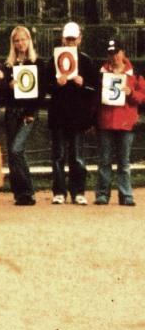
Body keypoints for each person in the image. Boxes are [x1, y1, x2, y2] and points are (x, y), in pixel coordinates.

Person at [45, 22, 99, 206]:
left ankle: (78, 191)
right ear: (63, 39)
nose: (70, 42)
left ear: (79, 39)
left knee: (77, 156)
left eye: (73, 39)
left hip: (78, 116)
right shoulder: (53, 60)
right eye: (67, 39)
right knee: (58, 156)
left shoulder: (86, 61)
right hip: (59, 115)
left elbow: (95, 89)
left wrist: (83, 82)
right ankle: (59, 191)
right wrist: (55, 83)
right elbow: (45, 87)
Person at [94, 39, 144, 206]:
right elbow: (94, 98)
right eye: (111, 53)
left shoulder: (134, 73)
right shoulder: (101, 72)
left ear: (123, 52)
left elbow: (142, 96)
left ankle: (126, 195)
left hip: (125, 123)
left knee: (124, 162)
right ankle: (102, 194)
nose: (114, 56)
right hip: (105, 122)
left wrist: (131, 93)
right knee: (104, 161)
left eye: (116, 52)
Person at [1, 26, 44, 206]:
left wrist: (31, 112)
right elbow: (1, 94)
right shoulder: (8, 65)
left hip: (28, 113)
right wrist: (8, 86)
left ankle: (27, 191)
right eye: (17, 40)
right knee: (13, 154)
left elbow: (41, 92)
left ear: (29, 40)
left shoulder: (37, 63)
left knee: (16, 149)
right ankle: (19, 193)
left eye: (23, 40)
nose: (20, 43)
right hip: (11, 112)